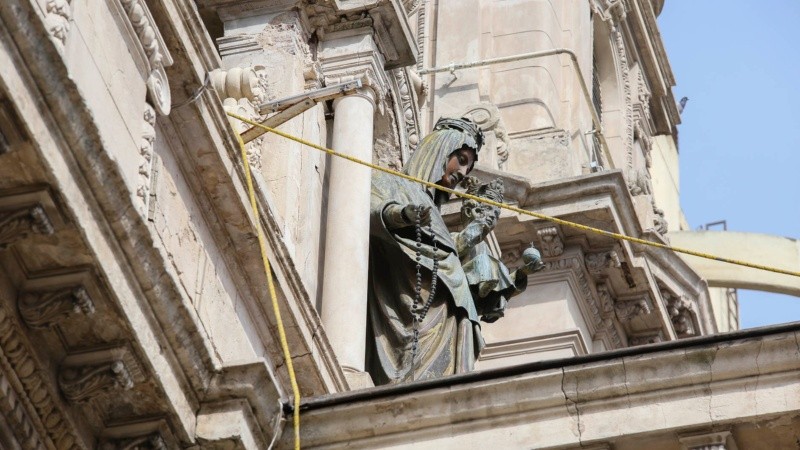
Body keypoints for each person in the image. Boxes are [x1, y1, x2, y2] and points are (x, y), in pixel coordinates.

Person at [367, 117, 485, 384]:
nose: (463, 173)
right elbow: (370, 210)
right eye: (462, 159)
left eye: (469, 166)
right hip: (409, 319)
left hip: (445, 321)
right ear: (440, 150)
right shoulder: (393, 184)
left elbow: (446, 261)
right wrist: (402, 215)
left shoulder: (438, 217)